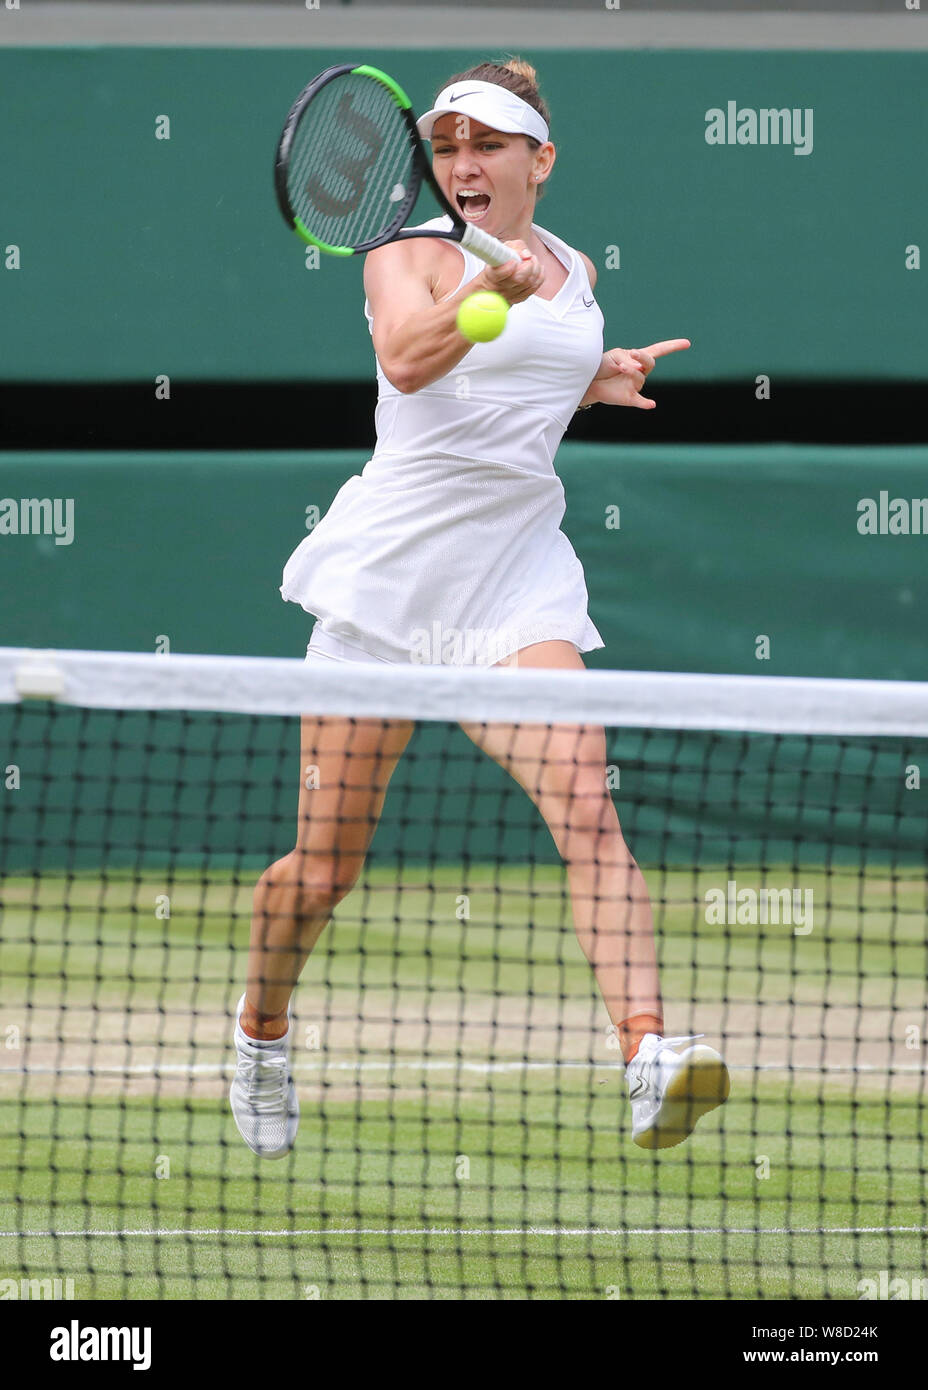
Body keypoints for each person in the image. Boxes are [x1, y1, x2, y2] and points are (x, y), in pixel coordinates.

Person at [230, 57, 729, 1158]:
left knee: (588, 809)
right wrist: (487, 293)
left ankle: (646, 1052)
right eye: (446, 146)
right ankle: (260, 1034)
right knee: (323, 871)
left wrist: (591, 371)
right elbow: (410, 360)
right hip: (385, 591)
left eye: (488, 145)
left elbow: (529, 366)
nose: (463, 163)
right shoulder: (407, 249)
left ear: (537, 162)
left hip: (515, 582)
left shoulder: (570, 264)